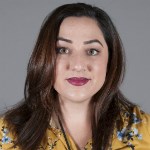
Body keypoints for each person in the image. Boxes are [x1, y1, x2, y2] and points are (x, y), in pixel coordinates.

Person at [0, 2, 150, 150]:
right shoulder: (7, 135)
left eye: (92, 51)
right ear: (44, 57)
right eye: (62, 50)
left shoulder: (145, 131)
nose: (78, 65)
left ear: (110, 60)